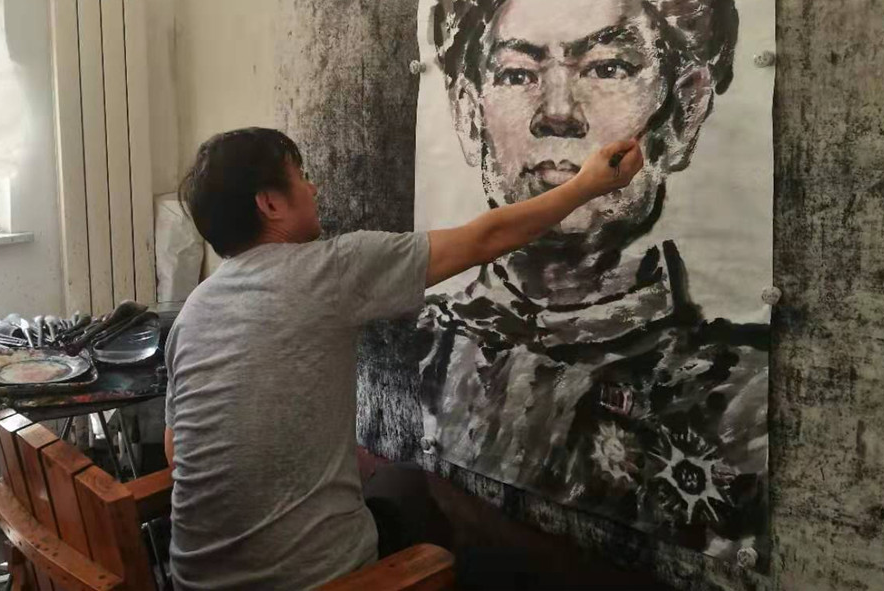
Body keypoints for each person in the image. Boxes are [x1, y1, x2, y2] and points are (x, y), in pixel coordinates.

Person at [416, 0, 768, 564]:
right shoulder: (419, 348)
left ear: (684, 108)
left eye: (606, 67)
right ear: (469, 115)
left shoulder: (742, 396)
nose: (558, 113)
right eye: (518, 74)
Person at [165, 126, 643, 591]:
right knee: (421, 500)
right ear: (270, 204)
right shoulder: (329, 269)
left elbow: (176, 451)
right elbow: (483, 239)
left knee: (389, 478)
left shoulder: (193, 311)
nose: (313, 187)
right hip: (317, 581)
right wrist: (586, 185)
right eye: (301, 176)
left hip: (191, 578)